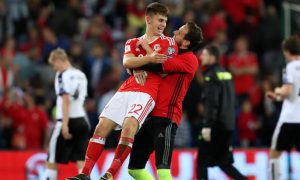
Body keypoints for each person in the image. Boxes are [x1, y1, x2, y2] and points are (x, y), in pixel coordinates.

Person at [67, 2, 177, 180]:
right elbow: (127, 62)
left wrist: (141, 62)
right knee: (101, 127)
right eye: (160, 20)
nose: (163, 24)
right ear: (148, 19)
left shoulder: (169, 43)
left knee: (129, 127)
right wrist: (143, 63)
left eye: (165, 21)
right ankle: (85, 174)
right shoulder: (132, 41)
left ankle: (110, 174)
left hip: (147, 92)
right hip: (126, 88)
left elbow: (163, 69)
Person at [127, 22, 203, 180]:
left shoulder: (190, 60)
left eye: (180, 32)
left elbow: (159, 65)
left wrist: (147, 49)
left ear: (187, 42)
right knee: (134, 169)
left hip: (167, 117)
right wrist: (136, 67)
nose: (174, 32)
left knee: (162, 170)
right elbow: (151, 63)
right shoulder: (172, 51)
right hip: (150, 115)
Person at [197, 45, 247, 180]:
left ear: (213, 58)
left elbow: (211, 103)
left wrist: (207, 125)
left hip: (215, 126)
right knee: (224, 163)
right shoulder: (226, 73)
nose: (201, 56)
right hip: (228, 125)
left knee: (201, 162)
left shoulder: (211, 76)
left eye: (205, 54)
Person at [43, 48, 90, 180]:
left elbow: (65, 99)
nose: (54, 68)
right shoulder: (81, 75)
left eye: (54, 64)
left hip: (67, 121)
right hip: (82, 120)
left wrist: (64, 124)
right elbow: (83, 99)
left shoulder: (62, 75)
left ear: (59, 60)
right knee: (80, 160)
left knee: (51, 159)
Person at [266, 36, 300, 180]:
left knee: (274, 154)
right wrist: (278, 97)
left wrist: (278, 91)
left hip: (289, 118)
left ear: (286, 51)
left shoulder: (290, 66)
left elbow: (287, 91)